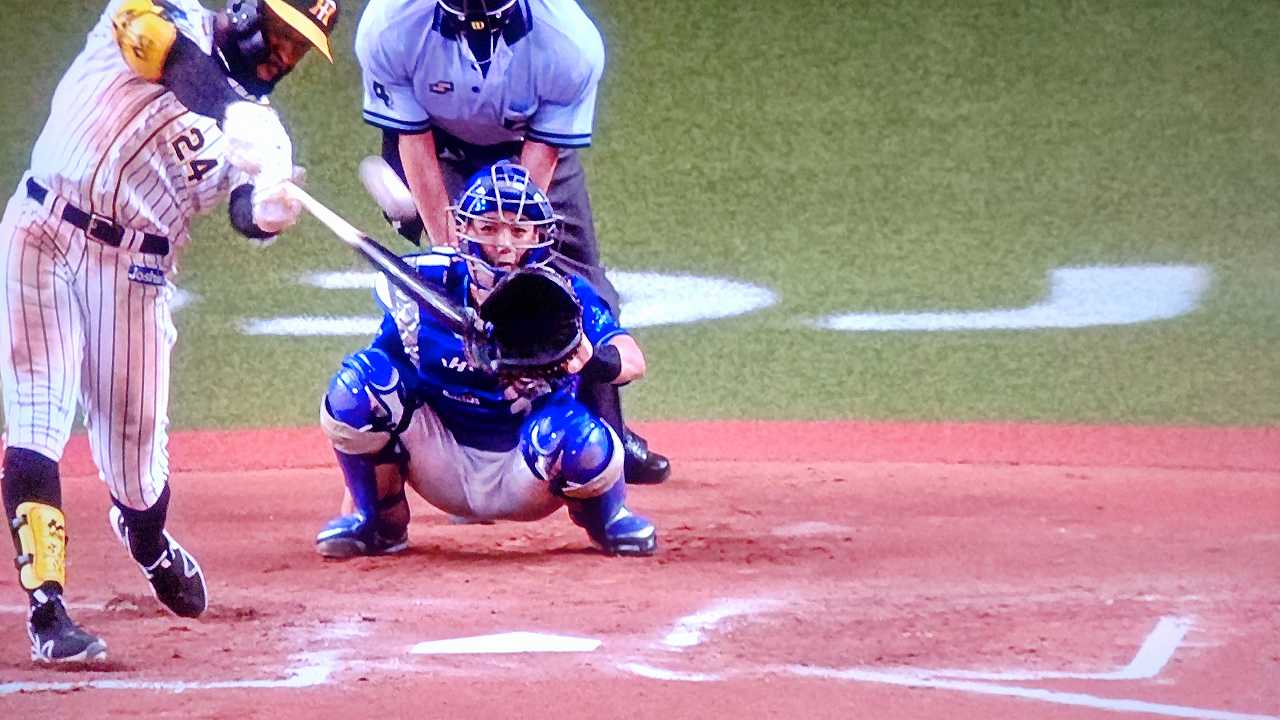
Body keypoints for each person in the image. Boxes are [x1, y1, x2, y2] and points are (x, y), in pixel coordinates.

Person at [0, 0, 339, 664]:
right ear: (244, 10)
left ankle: (147, 538)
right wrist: (231, 111)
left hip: (137, 271)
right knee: (37, 413)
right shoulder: (164, 13)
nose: (283, 57)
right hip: (42, 229)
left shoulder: (262, 133)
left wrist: (264, 209)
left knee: (136, 466)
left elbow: (242, 207)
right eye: (280, 35)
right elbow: (162, 49)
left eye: (299, 50)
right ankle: (48, 609)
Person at [352, 0, 671, 486]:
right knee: (450, 295)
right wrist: (455, 252)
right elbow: (412, 141)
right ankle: (460, 449)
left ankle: (609, 435)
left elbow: (541, 162)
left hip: (532, 148)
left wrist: (517, 251)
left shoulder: (571, 43)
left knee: (583, 288)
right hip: (435, 148)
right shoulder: (389, 25)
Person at [314, 162, 657, 559]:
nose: (504, 244)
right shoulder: (425, 288)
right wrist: (356, 496)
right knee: (359, 386)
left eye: (518, 230)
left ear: (538, 235)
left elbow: (632, 360)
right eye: (489, 227)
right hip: (439, 457)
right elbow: (376, 379)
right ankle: (378, 523)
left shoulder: (565, 297)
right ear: (465, 229)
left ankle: (609, 520)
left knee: (582, 440)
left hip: (527, 465)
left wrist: (590, 359)